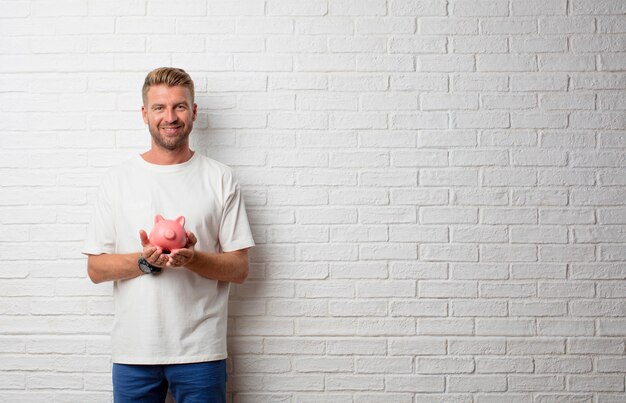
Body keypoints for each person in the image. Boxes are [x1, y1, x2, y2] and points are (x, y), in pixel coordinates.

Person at [82, 67, 255, 403]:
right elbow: (96, 269)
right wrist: (146, 261)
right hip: (134, 353)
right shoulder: (117, 180)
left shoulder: (220, 178)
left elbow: (239, 268)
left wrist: (193, 259)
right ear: (145, 114)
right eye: (160, 107)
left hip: (200, 352)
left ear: (194, 111)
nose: (170, 117)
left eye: (179, 106)